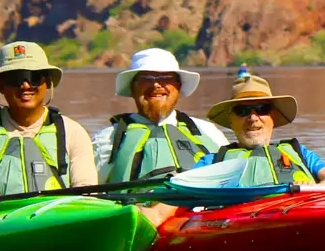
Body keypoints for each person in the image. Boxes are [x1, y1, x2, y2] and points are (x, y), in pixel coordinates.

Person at [0, 42, 99, 200]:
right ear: (0, 86)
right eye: (15, 79)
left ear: (47, 83)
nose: (25, 85)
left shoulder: (72, 131)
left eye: (34, 77)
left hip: (55, 218)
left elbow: (86, 187)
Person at [94, 48, 230, 183]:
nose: (156, 85)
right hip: (134, 204)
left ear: (178, 86)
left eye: (166, 78)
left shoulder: (208, 131)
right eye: (146, 78)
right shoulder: (106, 140)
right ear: (132, 87)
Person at [196, 72, 325, 186]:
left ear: (274, 117)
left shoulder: (300, 153)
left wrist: (316, 189)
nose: (252, 118)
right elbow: (181, 188)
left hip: (299, 211)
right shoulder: (211, 162)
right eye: (242, 111)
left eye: (262, 109)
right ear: (231, 120)